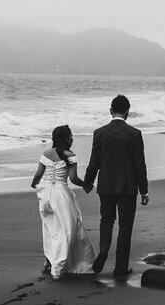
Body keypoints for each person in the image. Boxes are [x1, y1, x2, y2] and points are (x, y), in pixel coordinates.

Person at [83, 94, 149, 278]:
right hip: (128, 187)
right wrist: (144, 191)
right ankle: (120, 267)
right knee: (125, 226)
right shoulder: (135, 134)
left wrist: (88, 182)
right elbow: (139, 164)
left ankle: (104, 250)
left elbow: (94, 162)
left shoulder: (100, 133)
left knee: (106, 220)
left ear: (111, 111)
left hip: (105, 186)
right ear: (128, 113)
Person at [30, 125, 98, 280]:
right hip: (61, 195)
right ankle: (60, 265)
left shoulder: (46, 154)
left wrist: (35, 185)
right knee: (68, 229)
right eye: (71, 136)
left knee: (51, 229)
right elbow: (73, 179)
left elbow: (38, 175)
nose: (72, 138)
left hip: (46, 194)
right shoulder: (70, 155)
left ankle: (50, 260)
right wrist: (86, 185)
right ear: (66, 139)